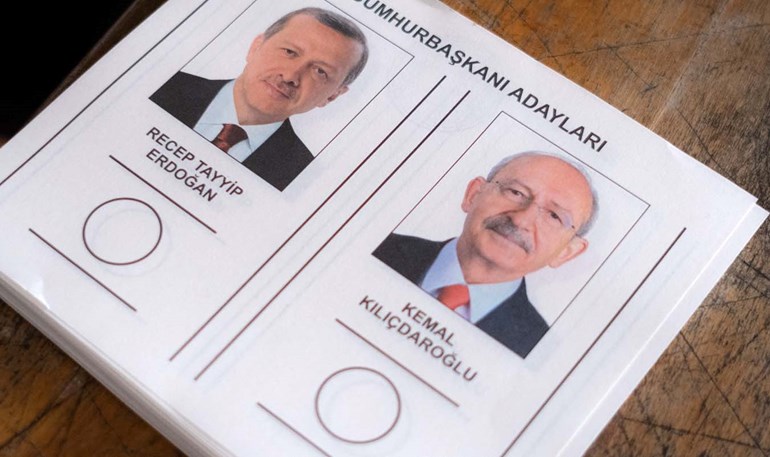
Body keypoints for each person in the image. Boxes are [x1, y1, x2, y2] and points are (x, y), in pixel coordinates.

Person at [373, 152, 598, 358]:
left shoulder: (540, 353)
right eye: (516, 192)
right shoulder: (377, 245)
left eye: (554, 216)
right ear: (473, 194)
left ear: (567, 252)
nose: (521, 220)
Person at [151, 7, 369, 191]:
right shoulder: (160, 84)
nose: (290, 76)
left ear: (333, 95)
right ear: (255, 47)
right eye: (290, 52)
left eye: (320, 71)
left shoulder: (305, 180)